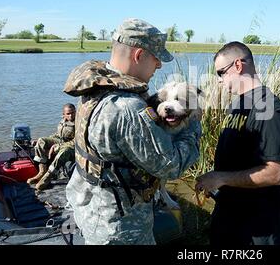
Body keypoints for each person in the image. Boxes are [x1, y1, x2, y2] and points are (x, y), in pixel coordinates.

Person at [63, 18, 201, 245]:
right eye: (157, 59)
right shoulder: (127, 108)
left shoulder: (96, 86)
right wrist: (194, 121)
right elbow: (172, 165)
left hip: (90, 208)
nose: (159, 66)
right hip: (121, 228)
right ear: (139, 55)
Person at [195, 41, 280, 245]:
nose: (219, 80)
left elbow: (275, 173)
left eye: (221, 72)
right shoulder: (238, 103)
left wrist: (220, 178)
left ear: (238, 66)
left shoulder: (269, 109)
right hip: (230, 219)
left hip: (259, 228)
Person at [27, 103, 76, 190]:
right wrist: (45, 140)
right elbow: (58, 135)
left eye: (73, 112)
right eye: (68, 113)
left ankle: (47, 177)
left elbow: (77, 141)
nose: (71, 115)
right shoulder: (63, 121)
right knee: (41, 141)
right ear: (63, 114)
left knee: (63, 152)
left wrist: (58, 146)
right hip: (61, 142)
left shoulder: (78, 123)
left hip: (72, 146)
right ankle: (42, 172)